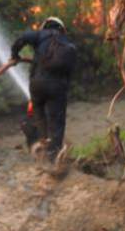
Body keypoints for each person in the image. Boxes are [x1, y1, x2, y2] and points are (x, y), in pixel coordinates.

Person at [10, 17, 77, 163]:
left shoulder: (41, 35)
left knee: (39, 116)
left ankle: (42, 145)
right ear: (62, 29)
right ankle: (54, 158)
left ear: (45, 26)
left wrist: (15, 55)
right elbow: (70, 72)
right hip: (57, 87)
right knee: (57, 123)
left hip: (36, 85)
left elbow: (22, 38)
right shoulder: (68, 44)